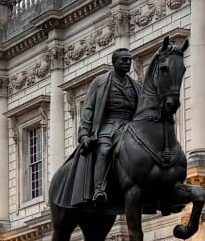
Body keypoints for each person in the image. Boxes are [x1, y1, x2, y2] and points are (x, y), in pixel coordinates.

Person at [54, 47, 142, 208]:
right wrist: (84, 133)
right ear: (114, 62)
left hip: (130, 126)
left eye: (129, 60)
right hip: (108, 125)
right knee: (104, 151)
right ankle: (99, 188)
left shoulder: (135, 86)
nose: (128, 63)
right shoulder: (100, 82)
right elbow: (88, 109)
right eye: (124, 60)